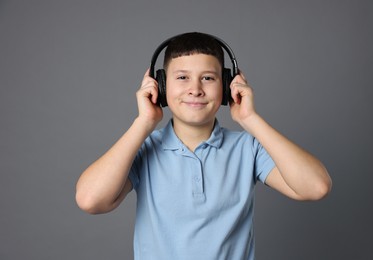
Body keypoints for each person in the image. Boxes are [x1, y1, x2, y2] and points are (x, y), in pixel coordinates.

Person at [75, 32, 332, 259]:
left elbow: (316, 186)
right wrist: (143, 123)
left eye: (208, 78)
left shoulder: (247, 148)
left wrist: (249, 119)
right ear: (161, 86)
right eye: (183, 77)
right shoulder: (143, 149)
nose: (195, 89)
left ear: (228, 86)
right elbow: (90, 200)